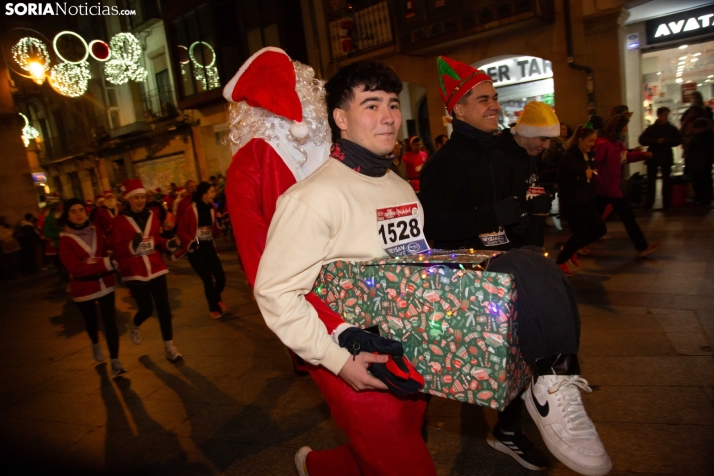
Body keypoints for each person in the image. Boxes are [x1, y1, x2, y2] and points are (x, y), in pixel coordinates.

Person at [420, 55, 611, 476]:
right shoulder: (443, 164)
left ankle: (526, 411)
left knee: (526, 347)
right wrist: (499, 213)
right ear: (459, 109)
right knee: (478, 362)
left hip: (513, 264)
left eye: (495, 97)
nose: (494, 105)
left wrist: (533, 215)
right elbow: (434, 227)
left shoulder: (509, 152)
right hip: (471, 277)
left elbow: (523, 206)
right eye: (483, 99)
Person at [252, 58, 436, 476]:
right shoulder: (312, 198)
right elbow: (275, 293)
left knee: (394, 442)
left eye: (392, 103)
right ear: (341, 118)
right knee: (402, 459)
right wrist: (336, 361)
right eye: (371, 105)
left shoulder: (400, 185)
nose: (389, 117)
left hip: (408, 349)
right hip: (351, 357)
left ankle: (315, 466)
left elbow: (413, 262)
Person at [112, 179, 182, 362]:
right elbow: (117, 249)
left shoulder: (151, 215)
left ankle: (170, 347)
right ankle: (135, 324)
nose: (140, 201)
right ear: (128, 199)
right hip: (135, 271)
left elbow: (156, 239)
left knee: (164, 308)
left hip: (156, 268)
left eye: (143, 197)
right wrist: (132, 245)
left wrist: (168, 244)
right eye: (136, 198)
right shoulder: (119, 220)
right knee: (146, 309)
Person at [58, 198, 126, 376]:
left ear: (86, 212)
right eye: (73, 211)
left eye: (81, 210)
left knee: (110, 322)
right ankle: (95, 342)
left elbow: (106, 251)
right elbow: (75, 268)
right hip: (84, 288)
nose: (78, 214)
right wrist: (105, 263)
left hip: (105, 283)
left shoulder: (97, 231)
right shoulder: (65, 240)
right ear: (67, 216)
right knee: (91, 321)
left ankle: (115, 361)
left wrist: (114, 255)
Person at [594, 114, 659, 257]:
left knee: (595, 218)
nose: (626, 129)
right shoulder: (605, 144)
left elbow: (624, 158)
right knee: (628, 218)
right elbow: (595, 161)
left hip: (608, 188)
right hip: (609, 188)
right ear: (618, 127)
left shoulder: (617, 143)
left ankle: (575, 247)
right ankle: (642, 247)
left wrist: (643, 155)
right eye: (625, 125)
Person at [497, 101, 559, 248]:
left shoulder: (529, 152)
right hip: (511, 247)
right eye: (543, 139)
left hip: (530, 242)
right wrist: (527, 209)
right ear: (527, 132)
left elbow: (527, 187)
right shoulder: (500, 156)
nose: (547, 146)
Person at [555, 124, 607, 276]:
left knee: (599, 230)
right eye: (589, 141)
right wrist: (584, 176)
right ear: (580, 140)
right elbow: (562, 180)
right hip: (574, 202)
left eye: (593, 141)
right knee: (582, 234)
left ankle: (570, 249)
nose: (592, 144)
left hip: (587, 199)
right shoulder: (569, 157)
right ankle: (561, 261)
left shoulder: (589, 156)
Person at [176, 181, 225, 319]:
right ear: (204, 194)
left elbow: (214, 231)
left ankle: (215, 297)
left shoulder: (212, 209)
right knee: (208, 280)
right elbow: (181, 230)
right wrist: (190, 242)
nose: (214, 195)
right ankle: (213, 307)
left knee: (221, 278)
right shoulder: (191, 210)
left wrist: (221, 223)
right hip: (196, 249)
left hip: (209, 247)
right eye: (212, 192)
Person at [638, 107, 682, 209]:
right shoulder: (652, 128)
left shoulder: (670, 128)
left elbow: (677, 140)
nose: (666, 117)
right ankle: (649, 201)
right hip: (654, 156)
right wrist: (656, 141)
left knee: (666, 180)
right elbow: (642, 140)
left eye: (667, 115)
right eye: (664, 115)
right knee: (651, 180)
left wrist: (666, 141)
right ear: (659, 115)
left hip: (665, 155)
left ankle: (667, 202)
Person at [685, 117, 714, 207]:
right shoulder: (703, 136)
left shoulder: (707, 137)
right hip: (698, 162)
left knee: (703, 180)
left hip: (703, 161)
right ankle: (702, 198)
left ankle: (704, 198)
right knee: (699, 180)